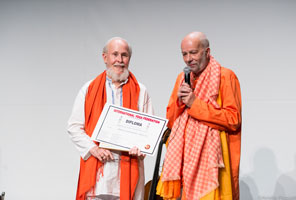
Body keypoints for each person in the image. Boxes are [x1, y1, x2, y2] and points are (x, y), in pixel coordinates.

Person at [156, 32, 242, 200]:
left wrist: (194, 104)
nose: (189, 59)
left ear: (207, 52)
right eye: (184, 54)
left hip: (214, 163)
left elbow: (233, 119)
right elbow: (172, 122)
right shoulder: (182, 78)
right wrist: (180, 103)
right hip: (183, 161)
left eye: (193, 52)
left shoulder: (225, 76)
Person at [67, 37, 154, 200]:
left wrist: (141, 146)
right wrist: (94, 149)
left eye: (124, 55)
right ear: (105, 57)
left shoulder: (141, 91)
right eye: (115, 54)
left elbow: (148, 132)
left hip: (129, 169)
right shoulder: (89, 89)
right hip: (98, 175)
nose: (120, 60)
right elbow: (74, 127)